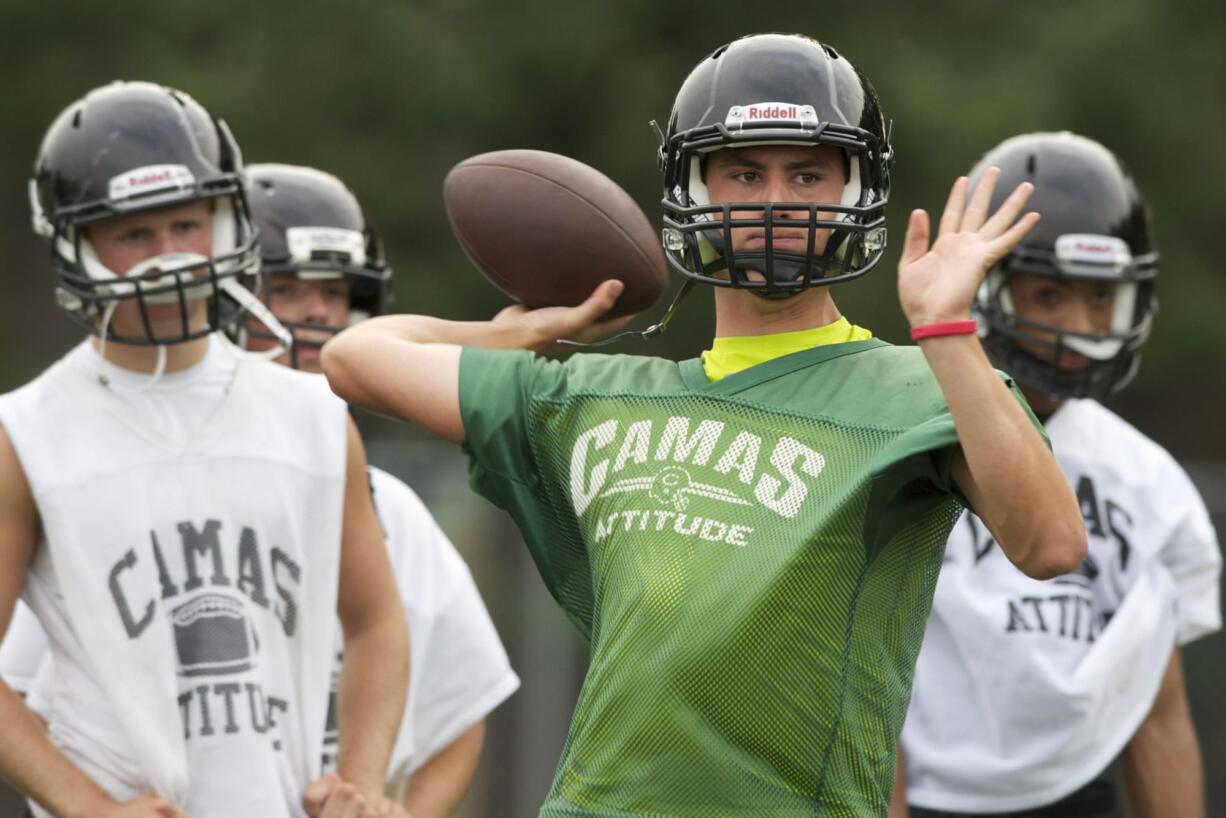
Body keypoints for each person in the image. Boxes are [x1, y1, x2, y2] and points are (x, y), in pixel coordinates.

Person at [321, 33, 1086, 818]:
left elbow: (1052, 545)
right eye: (746, 172)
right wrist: (526, 331)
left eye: (809, 173)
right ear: (693, 191)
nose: (777, 201)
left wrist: (947, 329)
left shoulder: (919, 385)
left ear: (858, 191)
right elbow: (356, 355)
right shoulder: (595, 395)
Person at [0, 81, 408, 818]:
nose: (169, 258)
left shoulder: (314, 414)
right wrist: (86, 807)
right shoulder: (23, 431)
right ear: (76, 244)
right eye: (133, 235)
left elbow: (376, 620)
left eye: (186, 225)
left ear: (225, 223)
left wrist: (363, 780)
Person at [894, 133, 1222, 818]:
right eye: (1049, 295)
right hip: (923, 796)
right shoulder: (896, 439)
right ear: (983, 283)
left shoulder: (1146, 480)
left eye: (1101, 300)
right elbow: (865, 694)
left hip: (1080, 791)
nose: (1080, 325)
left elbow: (1157, 715)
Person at [243, 162, 520, 816]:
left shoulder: (391, 509)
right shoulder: (160, 485)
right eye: (288, 288)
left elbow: (460, 708)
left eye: (337, 293)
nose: (319, 311)